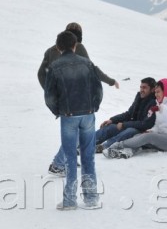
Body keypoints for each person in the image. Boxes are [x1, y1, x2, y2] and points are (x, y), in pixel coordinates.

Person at [38, 22, 118, 176]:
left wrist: (53, 97)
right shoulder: (79, 48)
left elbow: (41, 74)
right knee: (78, 134)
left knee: (73, 134)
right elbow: (92, 71)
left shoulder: (50, 51)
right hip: (80, 101)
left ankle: (62, 163)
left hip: (64, 104)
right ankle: (58, 164)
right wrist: (110, 81)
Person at [44, 30, 104, 210]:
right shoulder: (87, 64)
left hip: (68, 116)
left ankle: (70, 201)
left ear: (58, 47)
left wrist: (58, 110)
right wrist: (93, 107)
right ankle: (91, 198)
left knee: (70, 157)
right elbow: (98, 90)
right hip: (88, 114)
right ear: (75, 45)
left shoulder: (55, 66)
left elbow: (49, 96)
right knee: (88, 156)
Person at [103, 78, 167, 159]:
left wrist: (162, 108)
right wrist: (152, 130)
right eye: (155, 92)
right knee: (140, 136)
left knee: (148, 137)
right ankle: (127, 152)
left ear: (166, 91)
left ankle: (118, 145)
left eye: (158, 92)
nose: (156, 95)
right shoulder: (160, 104)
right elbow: (160, 124)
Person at [94, 77, 157, 154]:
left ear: (153, 89)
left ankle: (103, 147)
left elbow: (146, 124)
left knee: (129, 131)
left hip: (142, 132)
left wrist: (124, 125)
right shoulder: (139, 97)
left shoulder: (154, 103)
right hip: (130, 126)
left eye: (144, 88)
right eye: (141, 87)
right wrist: (112, 120)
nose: (141, 90)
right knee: (109, 127)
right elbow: (129, 114)